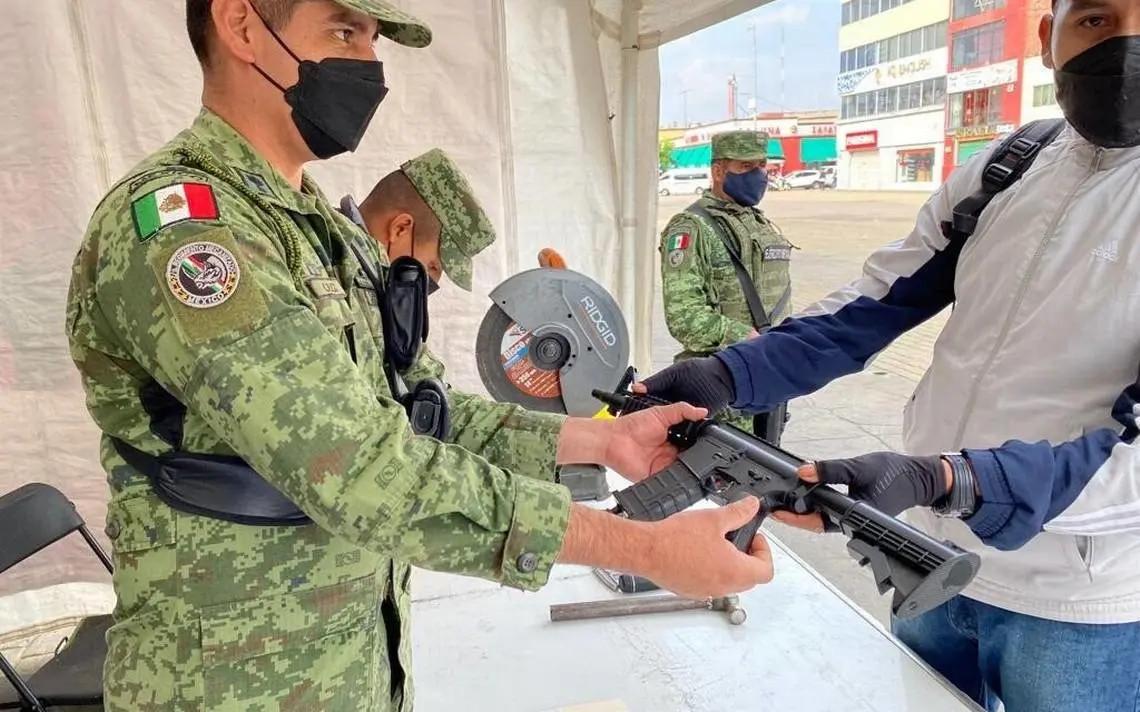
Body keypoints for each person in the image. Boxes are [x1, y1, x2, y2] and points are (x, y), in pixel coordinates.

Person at [64, 1, 775, 710]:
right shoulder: (190, 233)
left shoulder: (318, 231)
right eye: (345, 31)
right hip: (228, 682)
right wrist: (642, 548)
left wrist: (598, 437)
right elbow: (363, 468)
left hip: (348, 660)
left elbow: (416, 412)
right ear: (242, 25)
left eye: (374, 41)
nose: (371, 65)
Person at [637, 3, 1140, 710]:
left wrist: (948, 478)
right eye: (1095, 18)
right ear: (1047, 40)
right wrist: (728, 374)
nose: (1124, 46)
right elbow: (869, 307)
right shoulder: (1008, 167)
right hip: (927, 562)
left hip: (1084, 604)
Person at [657, 130, 794, 444]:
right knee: (726, 486)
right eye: (745, 167)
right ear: (718, 171)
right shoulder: (691, 227)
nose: (759, 174)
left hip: (767, 378)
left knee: (765, 476)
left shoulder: (757, 223)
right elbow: (685, 319)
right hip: (724, 387)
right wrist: (746, 336)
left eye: (762, 165)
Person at [338, 147, 491, 294]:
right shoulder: (327, 266)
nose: (433, 281)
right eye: (432, 266)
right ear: (400, 229)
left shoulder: (362, 280)